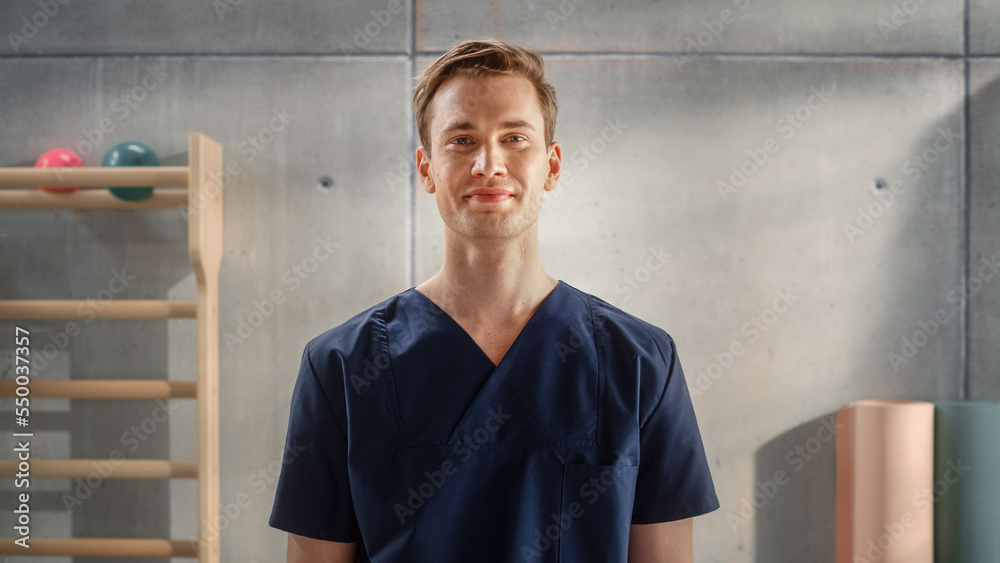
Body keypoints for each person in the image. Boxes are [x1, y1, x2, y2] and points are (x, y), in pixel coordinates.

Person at [268, 37, 719, 563]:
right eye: (461, 140)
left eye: (514, 138)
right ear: (426, 168)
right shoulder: (341, 367)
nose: (489, 163)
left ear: (551, 166)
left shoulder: (641, 361)